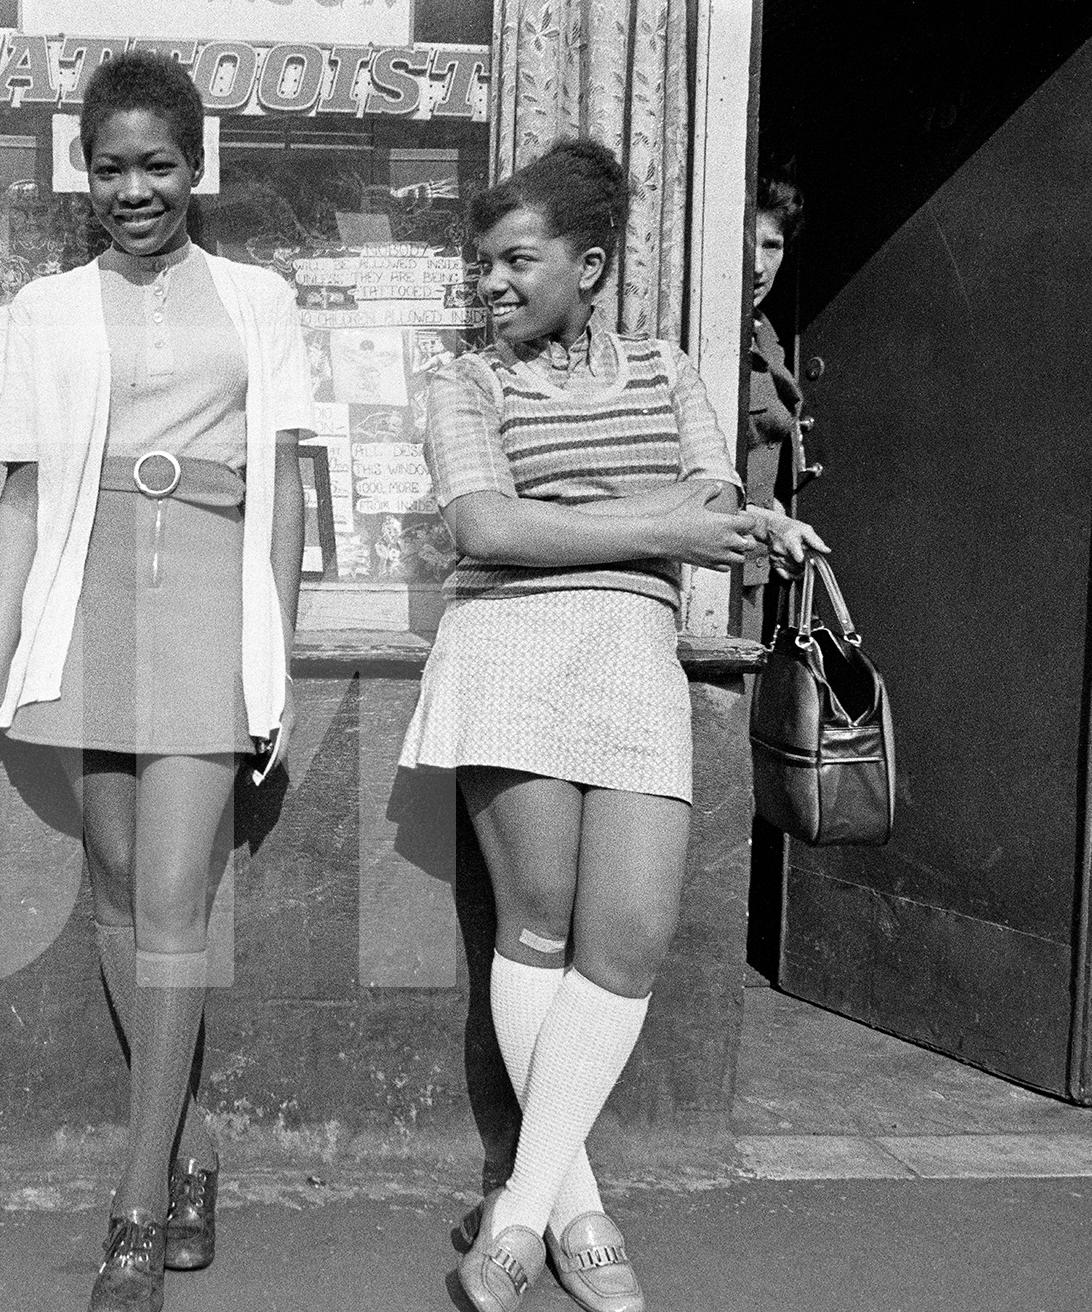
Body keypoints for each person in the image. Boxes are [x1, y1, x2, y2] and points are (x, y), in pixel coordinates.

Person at [0, 50, 311, 1312]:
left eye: (159, 166)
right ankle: (191, 1145)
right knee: (123, 889)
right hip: (88, 604)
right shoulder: (44, 307)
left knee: (179, 899)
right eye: (112, 167)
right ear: (82, 172)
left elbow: (287, 489)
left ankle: (136, 1208)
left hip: (208, 596)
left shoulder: (262, 298)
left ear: (200, 168)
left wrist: (275, 653)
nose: (135, 190)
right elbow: (23, 497)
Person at [400, 139, 820, 1312]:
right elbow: (484, 527)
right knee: (535, 929)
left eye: (515, 260)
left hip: (634, 656)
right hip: (511, 649)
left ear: (588, 264)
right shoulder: (462, 381)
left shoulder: (673, 367)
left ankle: (519, 1208)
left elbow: (716, 499)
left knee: (626, 941)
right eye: (481, 264)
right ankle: (578, 1211)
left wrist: (746, 521)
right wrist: (664, 524)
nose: (490, 284)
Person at [742, 167, 810, 638]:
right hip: (710, 569)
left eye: (773, 245)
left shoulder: (764, 333)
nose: (759, 265)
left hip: (754, 568)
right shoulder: (712, 333)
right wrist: (769, 524)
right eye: (749, 242)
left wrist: (777, 520)